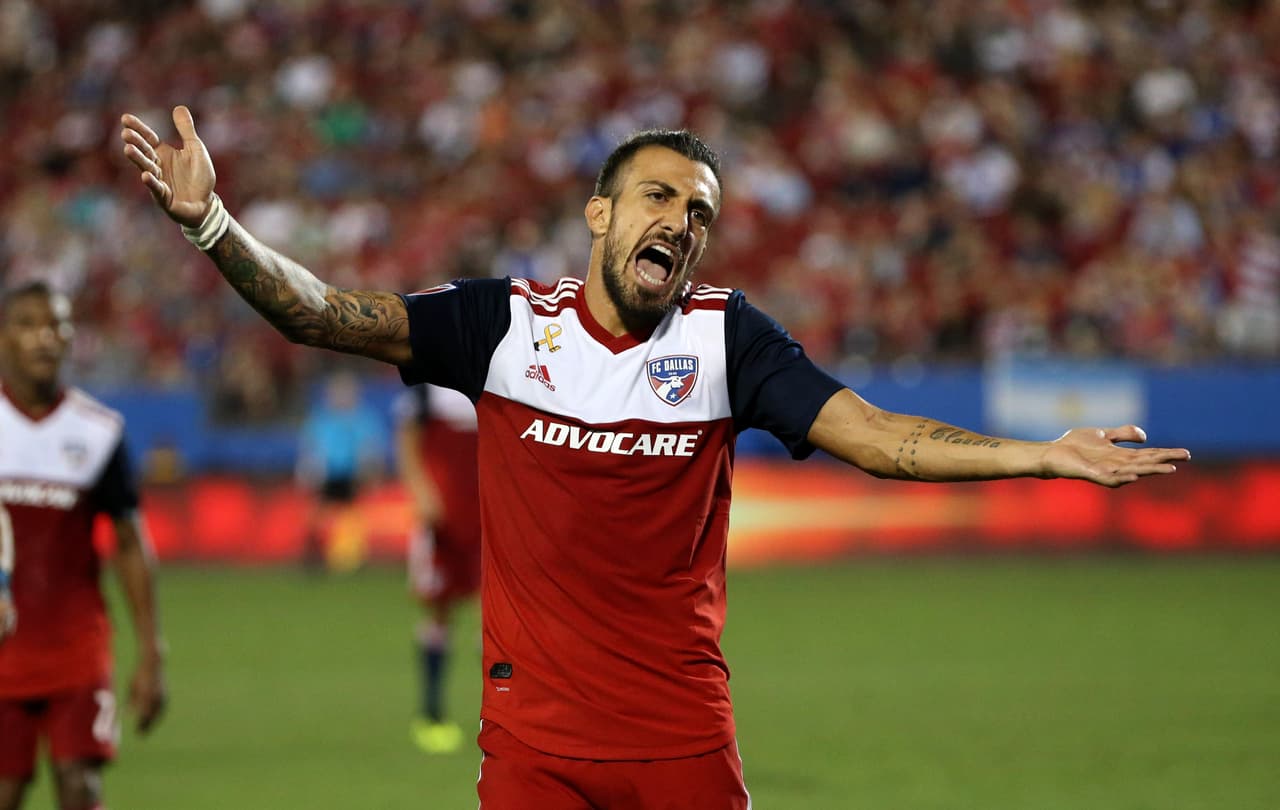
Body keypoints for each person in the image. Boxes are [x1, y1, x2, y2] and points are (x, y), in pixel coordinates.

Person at [121, 106, 1190, 809]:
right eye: (658, 196)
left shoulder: (726, 338)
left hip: (679, 734)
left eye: (700, 213)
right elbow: (327, 318)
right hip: (532, 744)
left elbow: (882, 441)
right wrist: (212, 223)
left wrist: (1041, 457)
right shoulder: (503, 326)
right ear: (599, 213)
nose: (681, 221)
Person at [0, 281, 167, 810]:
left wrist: (151, 653)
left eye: (56, 324)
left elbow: (129, 542)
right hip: (3, 652)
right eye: (28, 324)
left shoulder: (97, 431)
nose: (44, 337)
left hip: (77, 648)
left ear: (71, 337)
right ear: (4, 336)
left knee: (81, 789)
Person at [394, 383, 481, 755]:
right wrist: (421, 490)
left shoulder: (495, 376)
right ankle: (432, 713)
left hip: (490, 516)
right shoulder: (426, 392)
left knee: (497, 616)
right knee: (439, 612)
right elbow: (407, 441)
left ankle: (497, 715)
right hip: (442, 519)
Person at [295, 370, 387, 571]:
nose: (341, 397)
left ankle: (353, 558)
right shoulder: (321, 419)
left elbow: (371, 449)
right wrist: (307, 471)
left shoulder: (364, 418)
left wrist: (371, 473)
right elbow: (310, 447)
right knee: (317, 516)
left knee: (352, 516)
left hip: (352, 475)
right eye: (337, 392)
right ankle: (313, 556)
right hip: (327, 476)